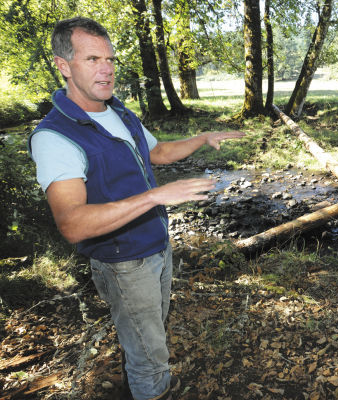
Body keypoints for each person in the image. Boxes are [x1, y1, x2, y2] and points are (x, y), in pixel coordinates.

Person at [28, 16, 245, 400]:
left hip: (156, 245)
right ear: (64, 66)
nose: (107, 69)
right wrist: (155, 197)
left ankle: (143, 382)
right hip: (123, 261)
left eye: (110, 59)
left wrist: (203, 137)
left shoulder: (117, 110)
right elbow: (72, 224)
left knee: (149, 332)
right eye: (93, 59)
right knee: (149, 353)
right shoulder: (55, 137)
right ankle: (154, 390)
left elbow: (157, 152)